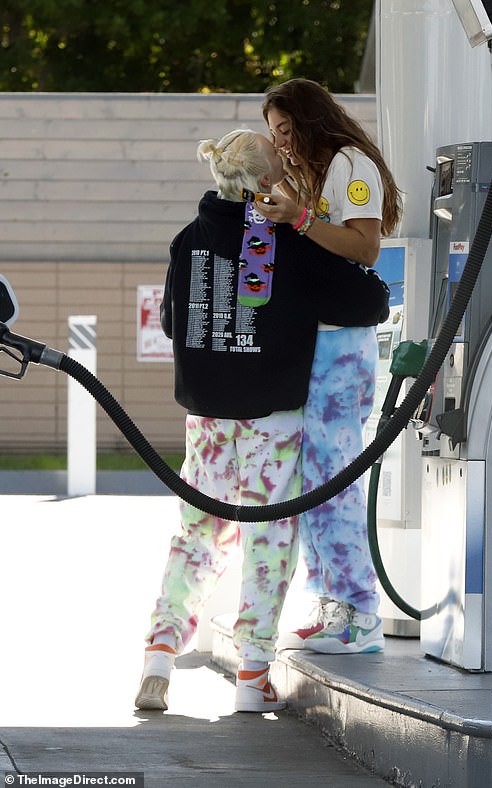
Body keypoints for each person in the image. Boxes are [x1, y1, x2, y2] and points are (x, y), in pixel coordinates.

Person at [134, 128, 389, 713]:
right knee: (268, 536)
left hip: (205, 418)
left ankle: (157, 656)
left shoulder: (187, 240)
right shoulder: (285, 242)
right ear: (269, 181)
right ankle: (253, 674)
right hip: (273, 418)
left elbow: (176, 323)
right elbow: (367, 300)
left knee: (197, 536)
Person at [256, 78, 402, 655]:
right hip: (319, 340)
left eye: (287, 130)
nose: (283, 143)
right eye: (274, 135)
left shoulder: (351, 163)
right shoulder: (319, 173)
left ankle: (359, 613)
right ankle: (333, 605)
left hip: (343, 345)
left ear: (311, 119)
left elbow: (366, 247)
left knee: (333, 470)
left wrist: (298, 219)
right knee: (314, 474)